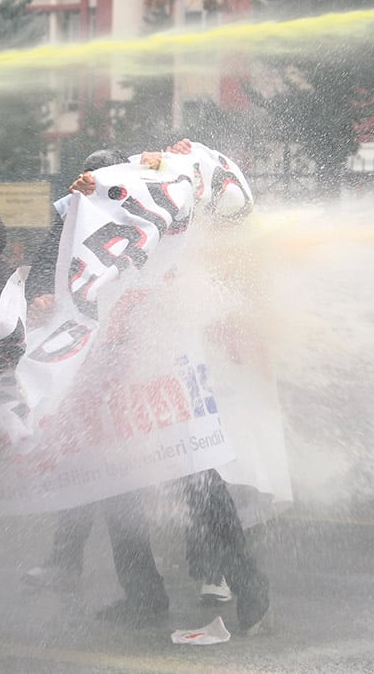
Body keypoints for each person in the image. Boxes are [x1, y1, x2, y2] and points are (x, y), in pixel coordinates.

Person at [22, 140, 272, 633]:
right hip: (101, 381)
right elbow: (41, 284)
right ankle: (143, 594)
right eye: (91, 188)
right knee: (116, 485)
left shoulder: (161, 216)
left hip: (156, 372)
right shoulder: (71, 221)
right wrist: (42, 301)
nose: (99, 197)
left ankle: (248, 582)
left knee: (194, 474)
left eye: (110, 188)